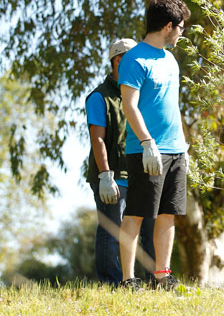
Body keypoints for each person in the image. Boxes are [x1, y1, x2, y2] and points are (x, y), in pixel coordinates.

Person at [118, 0, 191, 289]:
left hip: (175, 149)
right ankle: (128, 279)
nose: (181, 33)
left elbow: (171, 107)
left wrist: (183, 147)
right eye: (181, 28)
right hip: (146, 150)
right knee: (136, 214)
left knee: (167, 214)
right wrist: (147, 141)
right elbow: (129, 105)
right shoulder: (134, 59)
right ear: (168, 26)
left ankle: (162, 275)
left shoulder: (171, 60)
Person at [85, 38, 155, 286]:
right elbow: (98, 140)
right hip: (112, 176)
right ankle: (113, 283)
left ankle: (152, 280)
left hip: (139, 172)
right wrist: (105, 175)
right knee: (112, 231)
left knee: (148, 231)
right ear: (118, 60)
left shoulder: (139, 94)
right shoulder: (99, 97)